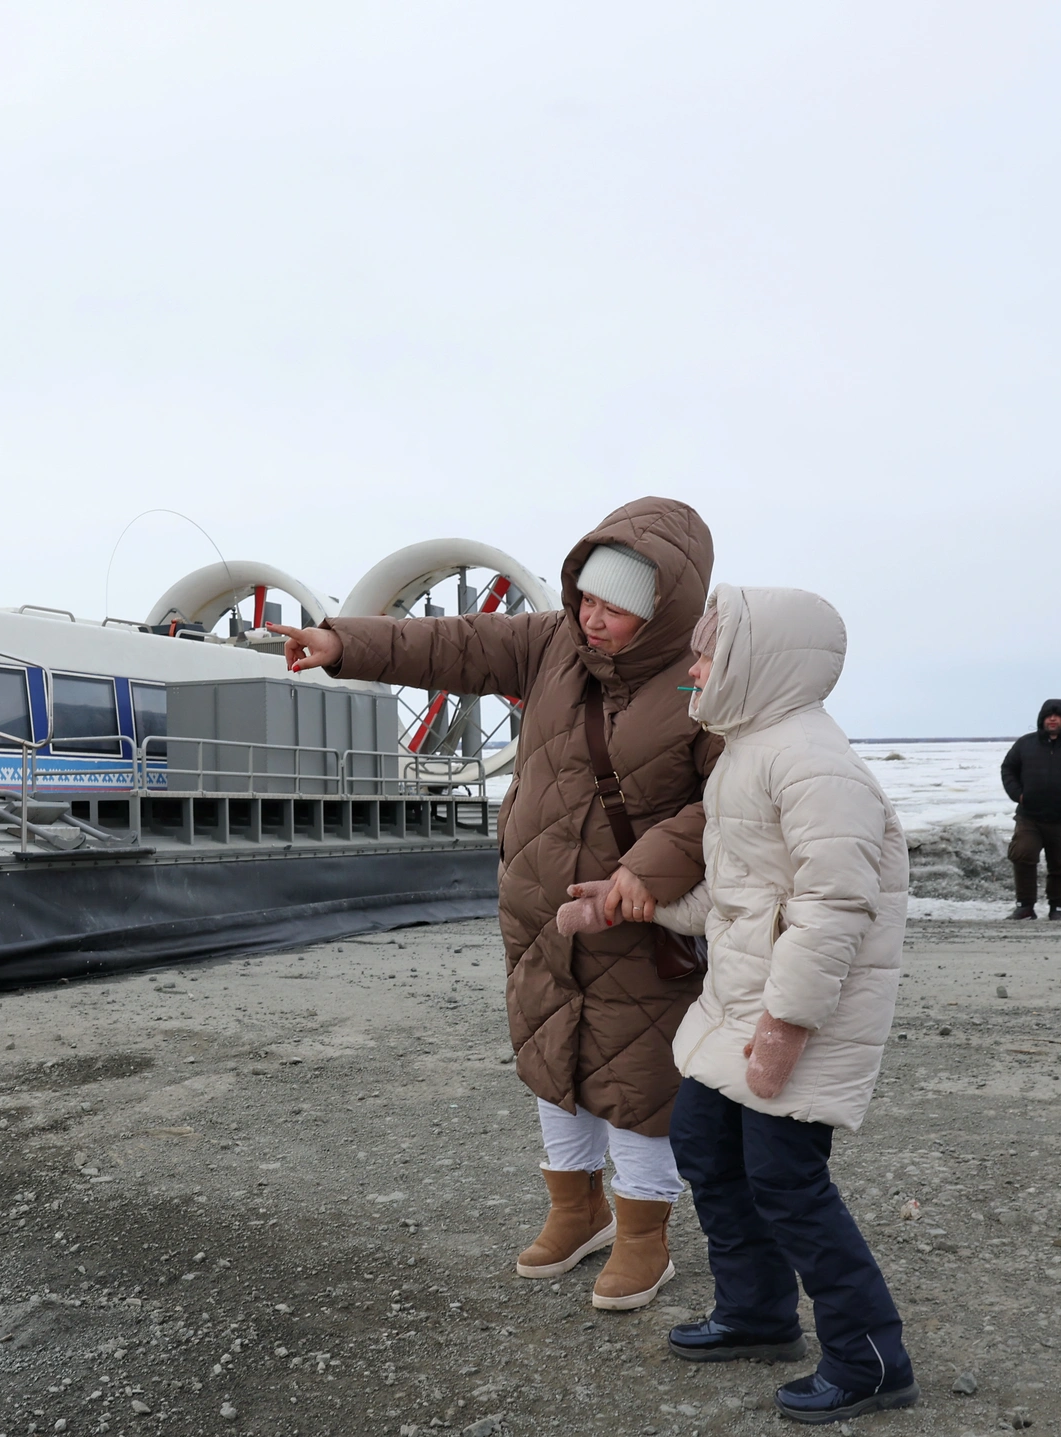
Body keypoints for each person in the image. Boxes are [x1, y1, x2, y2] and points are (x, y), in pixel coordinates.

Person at [267, 498, 717, 1312]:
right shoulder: (552, 643)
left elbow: (729, 802)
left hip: (636, 919)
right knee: (552, 1059)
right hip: (537, 910)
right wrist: (343, 642)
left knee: (639, 1078)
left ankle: (644, 1235)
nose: (593, 617)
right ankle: (574, 1211)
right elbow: (455, 644)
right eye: (588, 596)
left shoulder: (706, 676)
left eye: (615, 608)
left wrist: (649, 869)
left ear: (663, 612)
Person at [658, 584, 917, 1424]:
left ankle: (871, 1356)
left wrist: (785, 1026)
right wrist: (644, 905)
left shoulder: (813, 760)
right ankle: (758, 1312)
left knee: (786, 1179)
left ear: (753, 662)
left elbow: (834, 905)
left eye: (707, 653)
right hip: (740, 1002)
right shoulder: (747, 751)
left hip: (800, 1016)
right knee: (703, 1138)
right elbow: (738, 896)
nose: (692, 668)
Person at [998, 699, 1061, 920]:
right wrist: (1019, 795)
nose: (1052, 719)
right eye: (1048, 715)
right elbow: (1008, 769)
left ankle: (1058, 908)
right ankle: (1025, 906)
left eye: (1057, 715)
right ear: (1042, 719)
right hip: (1030, 816)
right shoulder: (1026, 744)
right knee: (1023, 854)